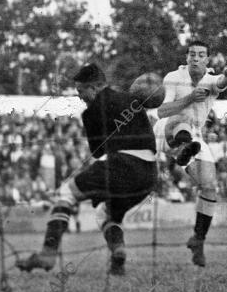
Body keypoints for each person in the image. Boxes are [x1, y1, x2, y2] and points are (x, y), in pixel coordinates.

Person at [16, 63, 159, 275]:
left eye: (80, 91)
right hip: (149, 174)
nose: (80, 97)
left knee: (66, 193)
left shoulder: (90, 113)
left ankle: (47, 253)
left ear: (93, 88)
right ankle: (118, 253)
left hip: (121, 165)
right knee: (105, 214)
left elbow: (98, 153)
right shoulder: (132, 100)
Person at [153, 40, 227, 267]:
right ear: (187, 58)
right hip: (167, 130)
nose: (196, 59)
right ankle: (182, 149)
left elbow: (220, 82)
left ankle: (198, 239)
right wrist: (190, 98)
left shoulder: (210, 80)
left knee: (209, 186)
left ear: (207, 60)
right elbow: (161, 111)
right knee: (184, 119)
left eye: (201, 55)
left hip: (195, 137)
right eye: (192, 55)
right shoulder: (173, 77)